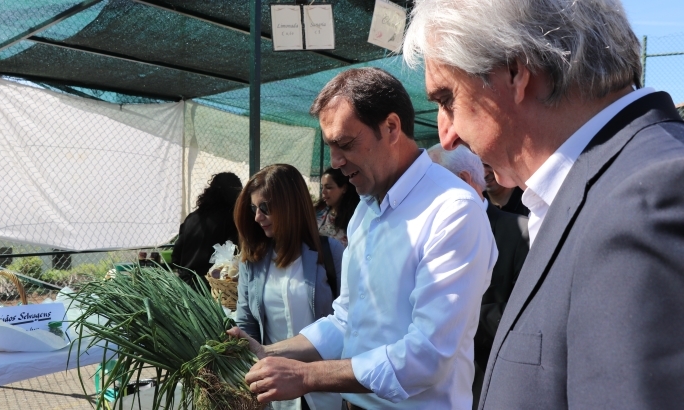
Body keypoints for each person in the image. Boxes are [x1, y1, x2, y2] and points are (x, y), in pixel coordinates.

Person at [403, 0, 684, 408]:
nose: (446, 136)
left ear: (516, 71)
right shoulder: (600, 191)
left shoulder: (644, 203)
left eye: (447, 99)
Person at [231, 67, 497, 409]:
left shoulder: (453, 210)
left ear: (391, 128)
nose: (336, 162)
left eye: (345, 144)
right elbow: (348, 319)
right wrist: (269, 353)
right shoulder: (366, 211)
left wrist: (307, 376)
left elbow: (427, 357)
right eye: (331, 147)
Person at [234, 163, 345, 410]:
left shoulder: (330, 252)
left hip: (325, 390)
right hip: (275, 395)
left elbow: (348, 322)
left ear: (290, 206)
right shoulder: (252, 260)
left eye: (265, 208)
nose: (257, 217)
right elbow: (247, 323)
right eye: (253, 208)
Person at [427, 144, 529, 409]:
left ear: (462, 181)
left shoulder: (518, 233)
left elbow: (525, 317)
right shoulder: (423, 235)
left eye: (431, 183)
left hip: (486, 388)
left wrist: (456, 315)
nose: (423, 195)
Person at [171, 172, 242, 289]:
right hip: (212, 287)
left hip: (185, 285)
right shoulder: (232, 219)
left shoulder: (192, 217)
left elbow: (176, 257)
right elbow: (233, 260)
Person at [314, 167, 359, 247]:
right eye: (322, 187)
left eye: (328, 187)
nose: (323, 192)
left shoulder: (355, 218)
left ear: (344, 188)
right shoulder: (318, 211)